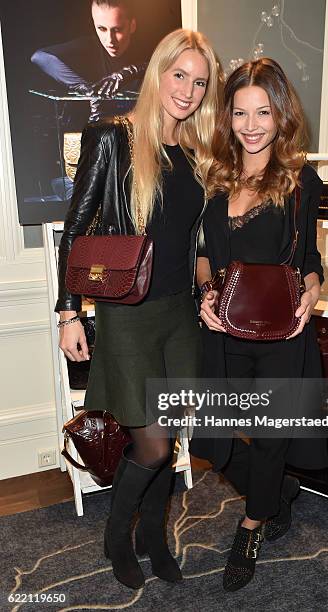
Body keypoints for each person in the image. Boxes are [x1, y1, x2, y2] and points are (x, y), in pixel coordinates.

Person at [55, 28, 221, 589]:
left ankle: (154, 535)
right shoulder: (113, 138)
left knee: (170, 437)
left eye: (200, 82)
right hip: (129, 314)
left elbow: (195, 241)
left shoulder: (195, 154)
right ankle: (116, 535)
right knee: (149, 443)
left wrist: (207, 287)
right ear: (157, 73)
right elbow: (74, 234)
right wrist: (68, 314)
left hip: (180, 316)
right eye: (180, 76)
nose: (189, 90)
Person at [193, 58, 328, 592]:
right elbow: (205, 256)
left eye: (263, 113)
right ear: (228, 116)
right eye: (241, 113)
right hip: (221, 325)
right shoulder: (215, 177)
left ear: (280, 117)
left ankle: (251, 525)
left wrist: (314, 289)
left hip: (278, 329)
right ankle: (279, 495)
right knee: (215, 438)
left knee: (271, 437)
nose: (251, 125)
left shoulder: (299, 180)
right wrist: (206, 290)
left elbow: (310, 255)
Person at [31, 0, 147, 121]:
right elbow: (39, 57)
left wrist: (131, 72)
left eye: (117, 30)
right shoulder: (90, 46)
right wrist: (85, 88)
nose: (110, 40)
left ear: (132, 25)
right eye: (102, 29)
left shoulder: (147, 48)